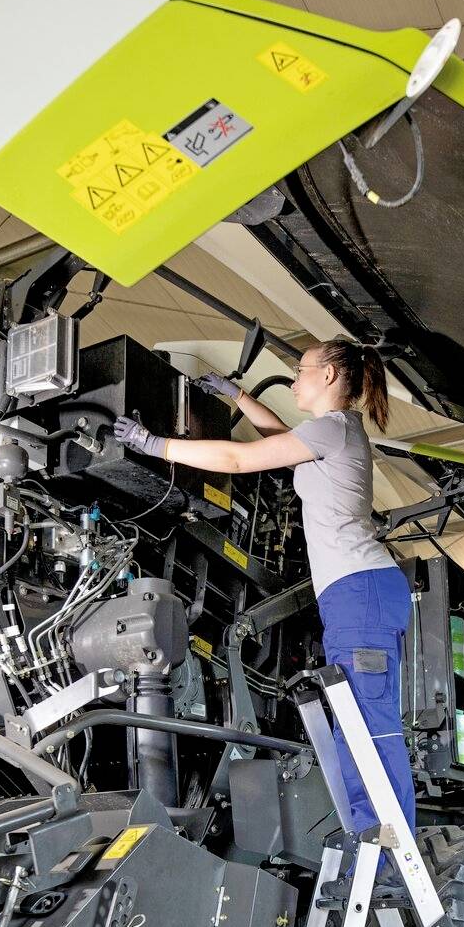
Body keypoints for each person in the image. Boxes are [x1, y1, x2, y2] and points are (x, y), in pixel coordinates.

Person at [113, 338, 415, 841]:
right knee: (355, 724)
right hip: (355, 594)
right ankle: (373, 839)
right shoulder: (330, 433)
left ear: (330, 377)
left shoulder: (334, 429)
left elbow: (237, 459)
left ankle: (389, 851)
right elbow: (280, 438)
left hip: (361, 592)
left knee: (368, 726)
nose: (294, 380)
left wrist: (154, 445)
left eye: (301, 370)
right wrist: (238, 398)